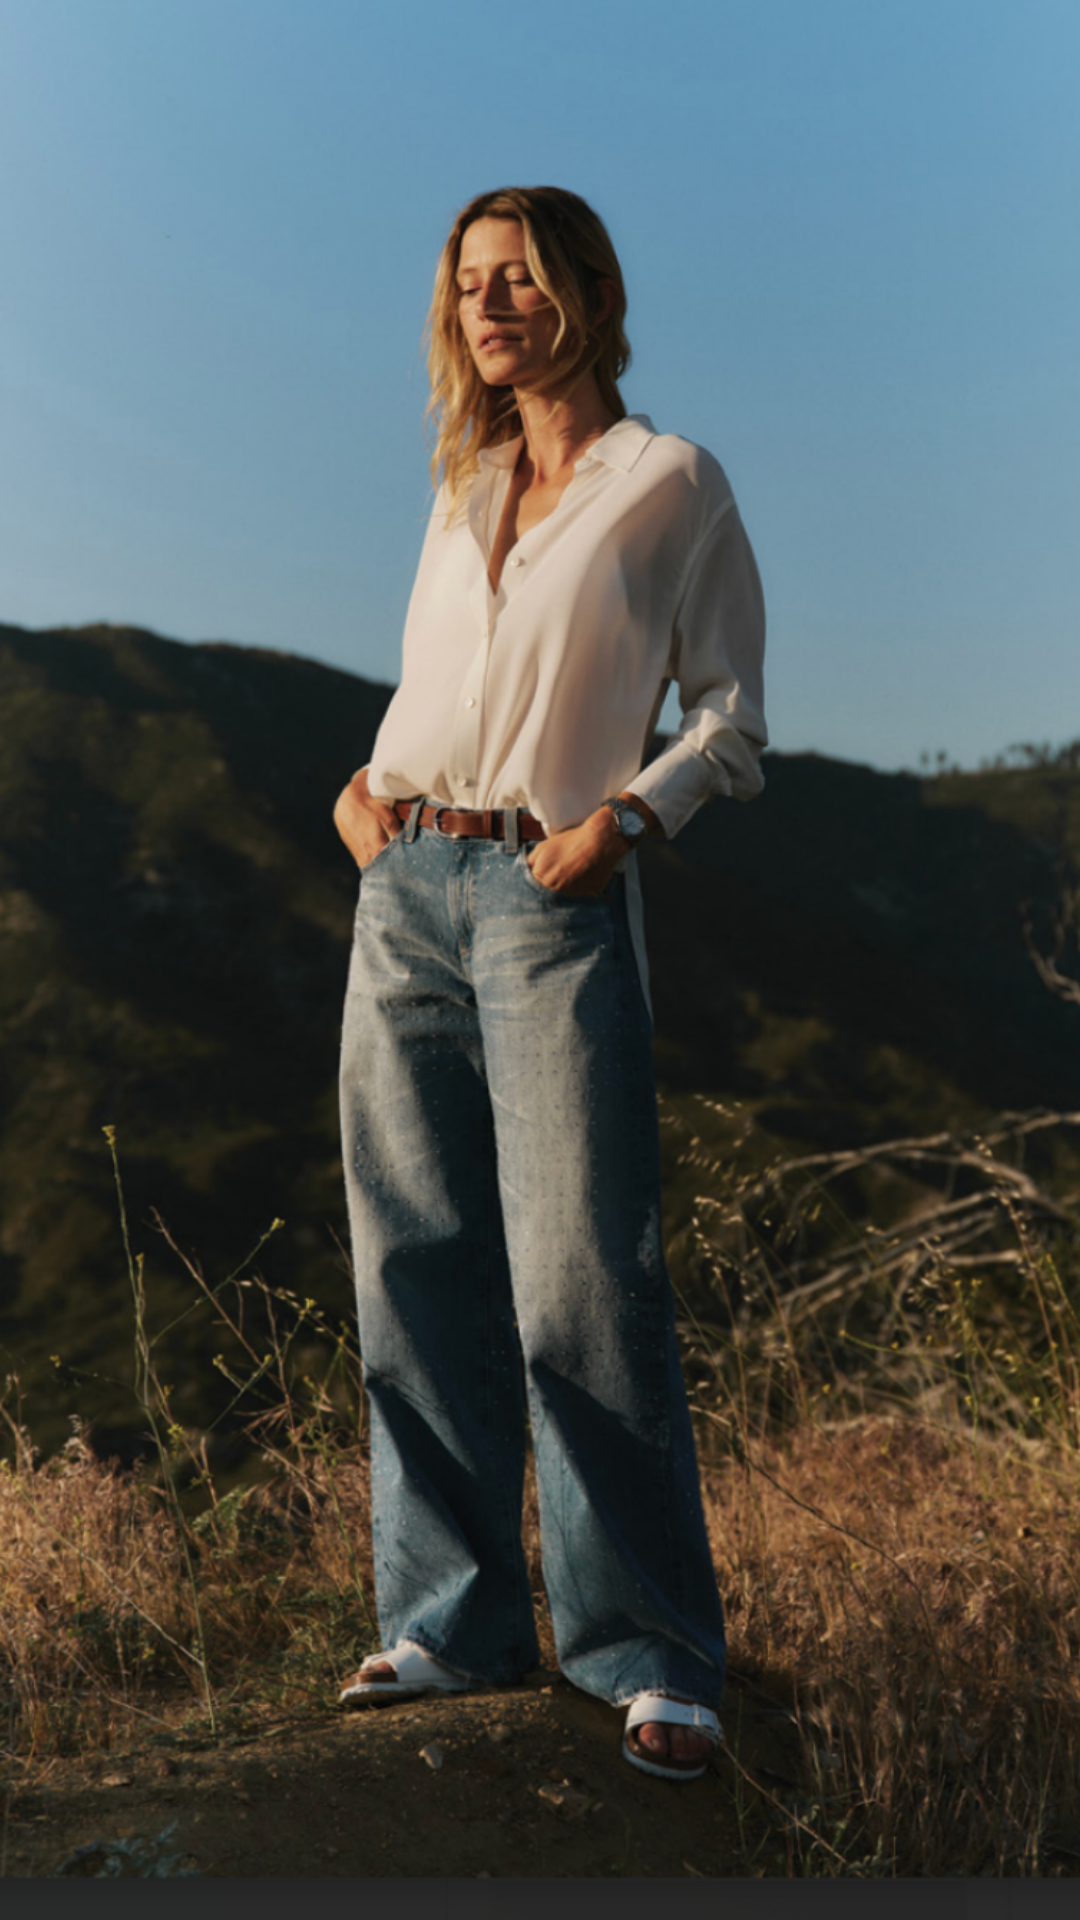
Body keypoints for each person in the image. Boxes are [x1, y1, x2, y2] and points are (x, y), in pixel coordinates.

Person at [333, 186, 766, 1781]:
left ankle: (647, 1652)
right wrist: (359, 802)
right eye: (466, 286)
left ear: (587, 287)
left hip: (547, 890)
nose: (489, 306)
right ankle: (453, 1624)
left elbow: (730, 709)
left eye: (516, 278)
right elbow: (429, 683)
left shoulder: (673, 483)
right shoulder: (463, 490)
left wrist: (628, 820)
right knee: (416, 1265)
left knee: (585, 1276)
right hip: (405, 892)